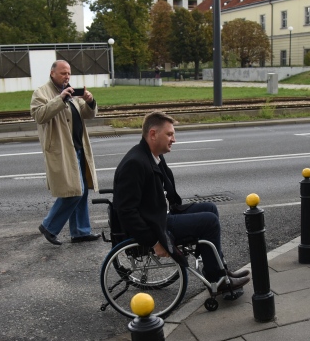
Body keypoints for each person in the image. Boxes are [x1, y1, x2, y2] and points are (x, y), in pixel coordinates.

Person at [112, 112, 250, 291]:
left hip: (161, 213)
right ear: (153, 134)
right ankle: (218, 280)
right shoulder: (135, 163)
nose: (174, 139)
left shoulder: (152, 155)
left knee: (210, 208)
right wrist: (154, 242)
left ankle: (218, 269)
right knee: (209, 222)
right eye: (169, 134)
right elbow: (125, 211)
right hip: (156, 224)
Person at [31, 60, 101, 246]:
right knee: (74, 191)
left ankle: (80, 231)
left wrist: (89, 101)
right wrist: (60, 98)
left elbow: (87, 114)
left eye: (69, 73)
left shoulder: (71, 91)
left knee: (83, 190)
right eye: (63, 73)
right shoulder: (42, 92)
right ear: (52, 73)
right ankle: (49, 226)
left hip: (78, 148)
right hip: (61, 151)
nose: (67, 76)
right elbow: (39, 115)